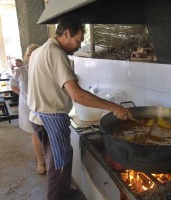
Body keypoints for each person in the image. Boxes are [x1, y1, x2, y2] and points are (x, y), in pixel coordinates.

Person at [27, 17, 133, 200]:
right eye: (78, 39)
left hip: (37, 117)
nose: (79, 45)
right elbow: (77, 95)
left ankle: (65, 193)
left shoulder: (39, 51)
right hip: (51, 120)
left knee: (57, 164)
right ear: (66, 33)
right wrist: (114, 107)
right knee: (58, 169)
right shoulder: (56, 52)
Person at [10, 44, 46, 174]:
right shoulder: (20, 71)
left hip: (43, 106)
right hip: (27, 107)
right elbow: (12, 85)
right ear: (27, 57)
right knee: (35, 133)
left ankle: (48, 158)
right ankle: (40, 161)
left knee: (46, 133)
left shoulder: (44, 70)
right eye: (33, 55)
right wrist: (23, 95)